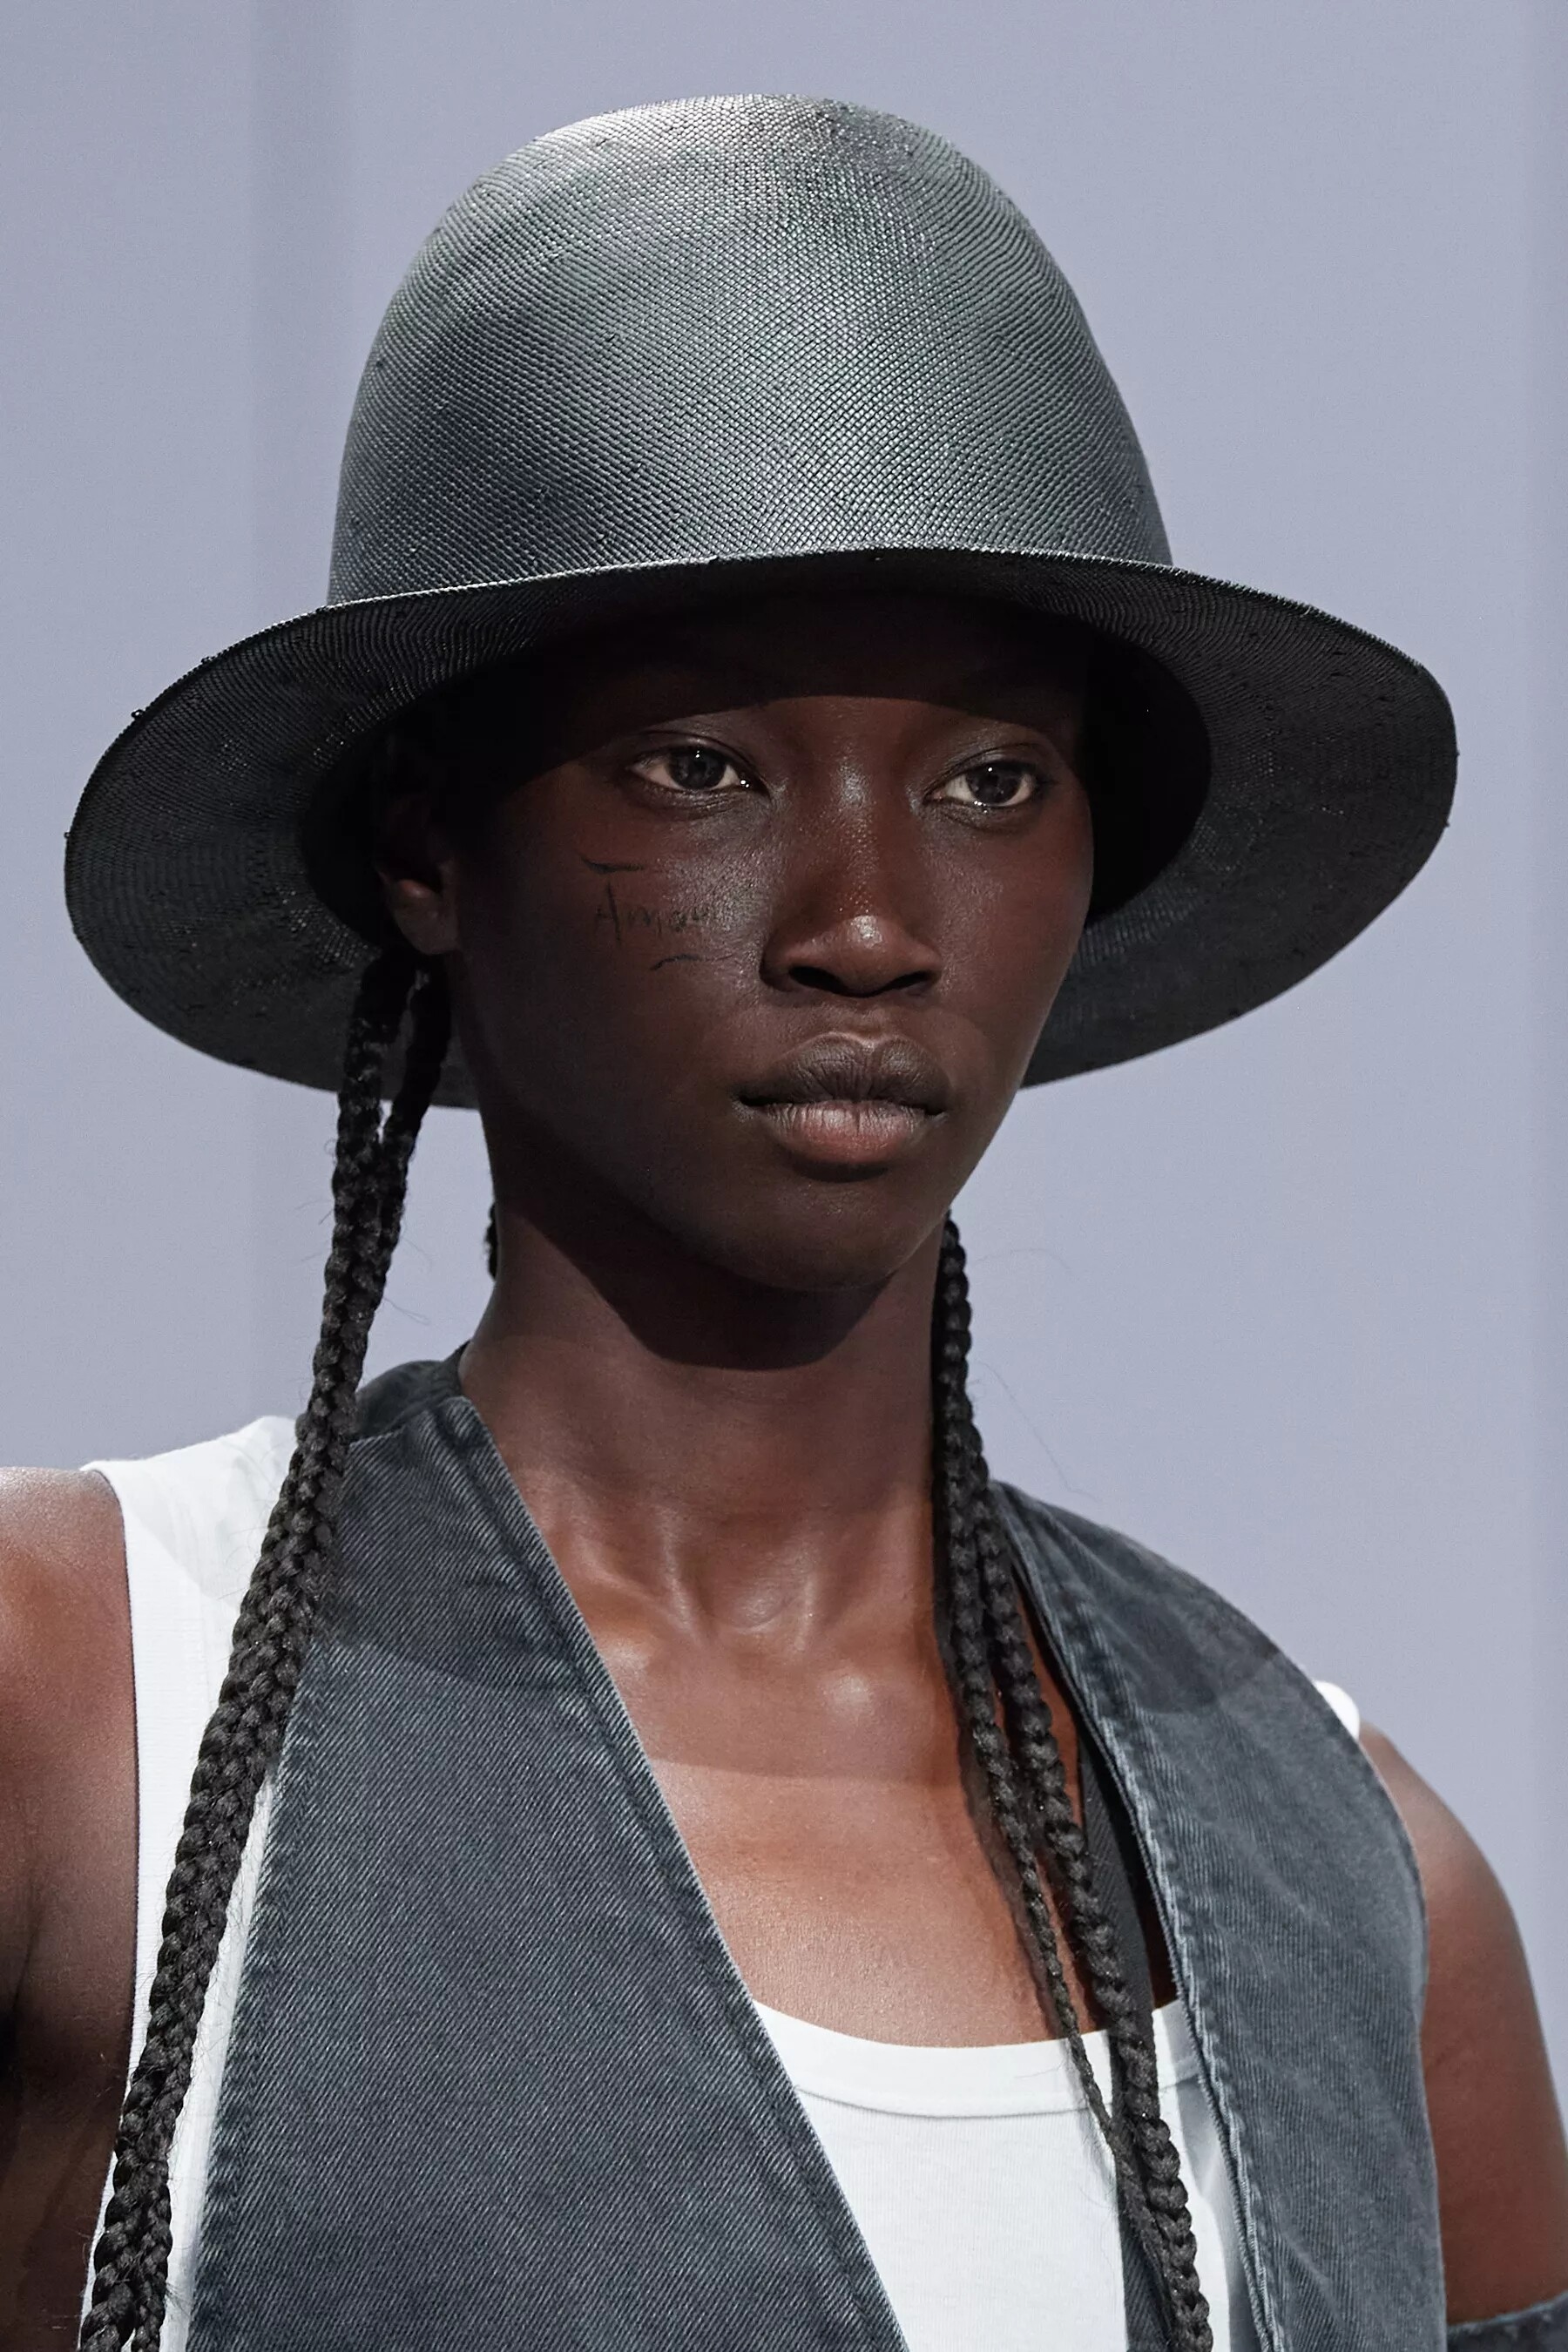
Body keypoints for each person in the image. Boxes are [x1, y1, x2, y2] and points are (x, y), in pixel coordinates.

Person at [1, 91, 1563, 2352]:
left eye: (992, 784)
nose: (866, 923)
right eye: (704, 768)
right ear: (428, 847)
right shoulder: (83, 1704)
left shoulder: (1351, 1874)